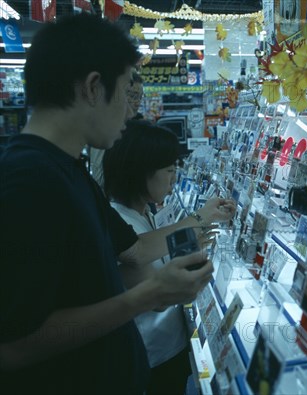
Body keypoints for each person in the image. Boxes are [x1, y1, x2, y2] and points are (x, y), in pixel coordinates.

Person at [0, 14, 233, 394]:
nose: (131, 110)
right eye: (127, 92)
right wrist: (147, 296)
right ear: (93, 88)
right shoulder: (30, 181)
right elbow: (13, 344)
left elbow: (130, 252)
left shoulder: (67, 169)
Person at [102, 120, 208, 394]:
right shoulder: (122, 226)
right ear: (141, 172)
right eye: (170, 169)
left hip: (166, 347)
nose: (175, 177)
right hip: (154, 356)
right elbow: (159, 299)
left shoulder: (141, 212)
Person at [89, 70, 144, 187]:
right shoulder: (106, 130)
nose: (137, 102)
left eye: (140, 97)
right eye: (133, 96)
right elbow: (99, 177)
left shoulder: (133, 127)